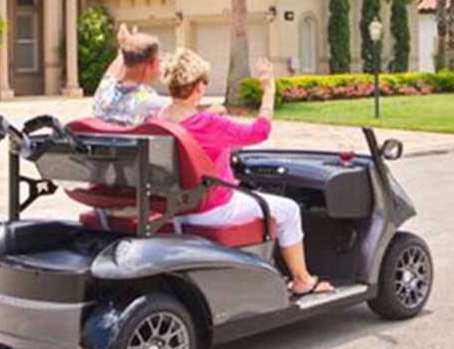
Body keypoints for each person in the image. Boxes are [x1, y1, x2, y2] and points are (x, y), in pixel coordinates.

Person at [158, 48, 334, 297]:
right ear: (198, 88)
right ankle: (302, 279)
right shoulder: (209, 125)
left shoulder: (159, 120)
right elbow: (259, 131)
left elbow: (187, 127)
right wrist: (269, 90)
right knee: (289, 210)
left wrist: (206, 114)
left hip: (177, 211)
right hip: (215, 209)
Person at [93, 24, 224, 126]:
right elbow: (185, 110)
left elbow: (113, 70)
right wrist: (216, 110)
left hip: (108, 158)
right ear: (152, 64)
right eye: (159, 58)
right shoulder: (149, 103)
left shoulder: (104, 93)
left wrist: (126, 43)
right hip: (140, 160)